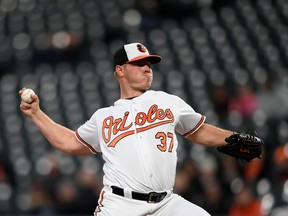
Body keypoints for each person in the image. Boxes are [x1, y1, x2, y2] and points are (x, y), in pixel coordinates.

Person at [20, 42, 246, 216]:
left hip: (166, 203)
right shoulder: (104, 117)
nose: (147, 69)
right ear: (120, 70)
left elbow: (199, 131)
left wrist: (233, 137)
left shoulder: (167, 101)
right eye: (139, 64)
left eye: (149, 64)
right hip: (120, 205)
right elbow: (68, 143)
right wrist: (37, 114)